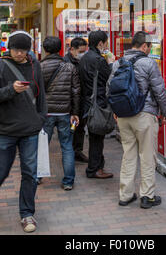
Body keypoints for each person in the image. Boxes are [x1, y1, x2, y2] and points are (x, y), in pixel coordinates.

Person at [0, 31, 46, 233]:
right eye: (17, 50)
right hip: (5, 129)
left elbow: (41, 94)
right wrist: (11, 89)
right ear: (9, 48)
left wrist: (41, 118)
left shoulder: (35, 65)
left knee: (30, 172)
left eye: (24, 50)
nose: (20, 54)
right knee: (1, 169)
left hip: (30, 129)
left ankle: (27, 213)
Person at [107, 31, 166, 209]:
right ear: (144, 46)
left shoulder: (118, 62)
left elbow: (109, 88)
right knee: (147, 156)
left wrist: (115, 110)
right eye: (150, 46)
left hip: (123, 116)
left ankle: (125, 195)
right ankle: (147, 196)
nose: (150, 50)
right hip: (144, 114)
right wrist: (165, 112)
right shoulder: (148, 62)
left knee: (129, 154)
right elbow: (159, 91)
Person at [40, 36, 80, 190]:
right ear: (60, 48)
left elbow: (35, 92)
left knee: (42, 145)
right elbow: (76, 92)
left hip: (46, 113)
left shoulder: (39, 66)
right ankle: (68, 181)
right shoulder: (70, 67)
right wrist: (75, 113)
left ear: (45, 49)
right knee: (67, 146)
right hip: (65, 113)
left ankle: (37, 176)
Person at [79, 30, 114, 179]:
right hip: (97, 102)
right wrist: (111, 62)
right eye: (105, 42)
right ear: (100, 43)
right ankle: (94, 169)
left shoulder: (84, 58)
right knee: (97, 137)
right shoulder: (99, 60)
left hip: (86, 101)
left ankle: (98, 165)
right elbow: (110, 77)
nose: (106, 45)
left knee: (94, 136)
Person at [64, 37, 88, 163]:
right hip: (70, 101)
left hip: (81, 100)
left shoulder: (82, 62)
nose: (82, 54)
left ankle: (78, 151)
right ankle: (69, 153)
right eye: (80, 51)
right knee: (70, 129)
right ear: (72, 49)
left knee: (80, 128)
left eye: (85, 51)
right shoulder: (65, 62)